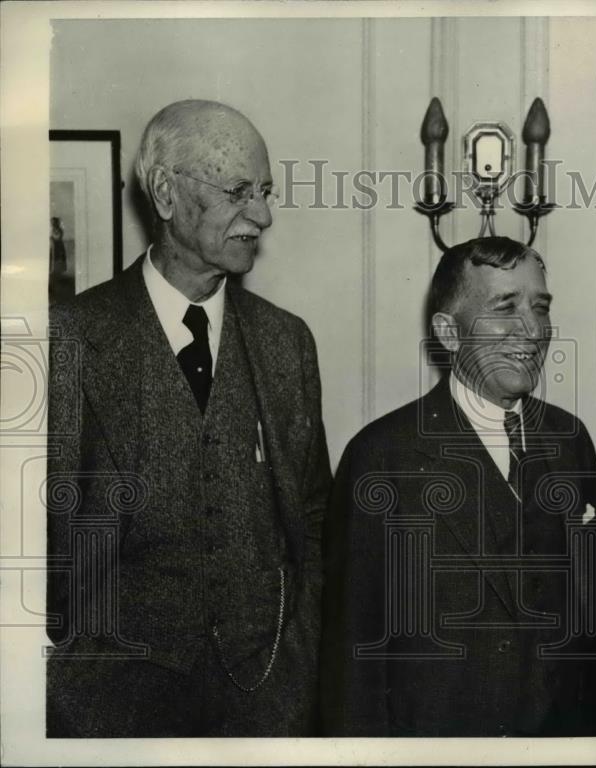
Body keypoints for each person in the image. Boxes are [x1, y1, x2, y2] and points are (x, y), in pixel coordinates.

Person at [46, 100, 333, 736]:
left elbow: (314, 517)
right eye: (238, 192)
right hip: (109, 705)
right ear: (167, 194)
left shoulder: (288, 343)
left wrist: (300, 657)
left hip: (266, 700)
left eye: (263, 192)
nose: (261, 215)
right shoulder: (69, 339)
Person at [321, 236, 596, 736]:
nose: (533, 331)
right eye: (505, 307)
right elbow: (353, 657)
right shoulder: (382, 456)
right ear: (448, 333)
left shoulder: (570, 439)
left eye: (541, 308)